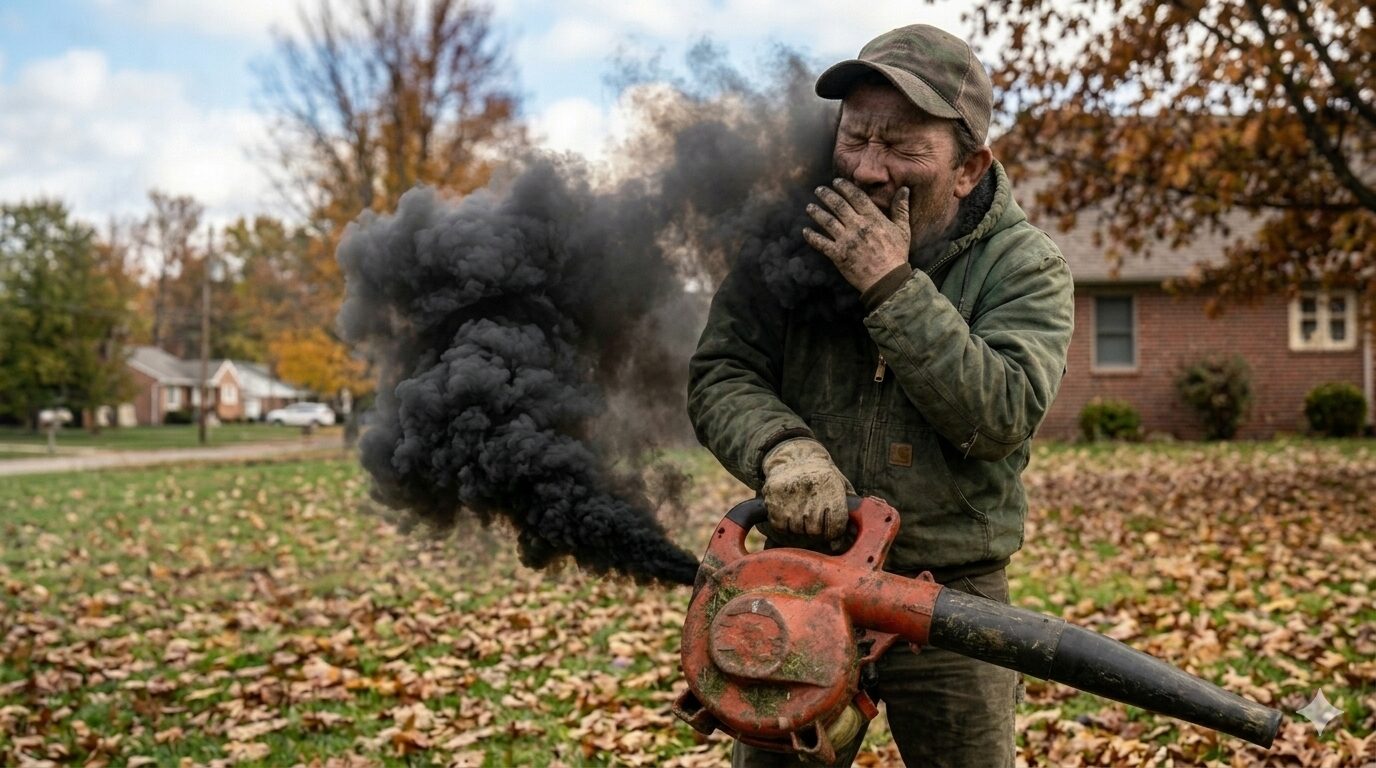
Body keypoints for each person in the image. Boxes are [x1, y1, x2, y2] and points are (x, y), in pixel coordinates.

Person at [686, 23, 1075, 768]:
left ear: (967, 167)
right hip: (799, 572)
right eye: (855, 137)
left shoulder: (1024, 266)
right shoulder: (788, 234)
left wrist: (890, 286)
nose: (867, 169)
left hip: (951, 593)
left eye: (900, 147)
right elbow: (722, 371)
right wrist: (783, 448)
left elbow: (999, 416)